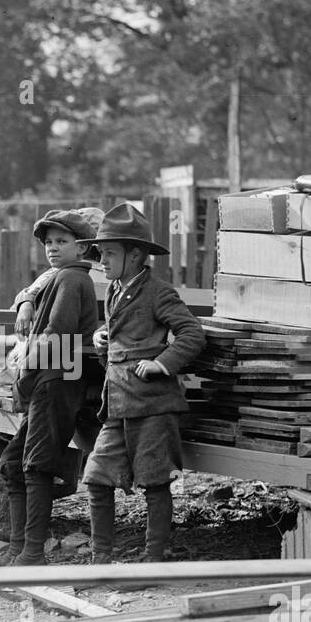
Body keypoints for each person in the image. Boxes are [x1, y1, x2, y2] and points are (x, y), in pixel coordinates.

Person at [83, 202, 205, 564]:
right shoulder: (116, 290)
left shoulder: (158, 291)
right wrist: (100, 337)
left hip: (153, 404)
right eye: (101, 253)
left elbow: (191, 334)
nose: (101, 261)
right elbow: (122, 333)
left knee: (155, 481)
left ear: (135, 255)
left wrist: (161, 364)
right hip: (118, 402)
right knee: (96, 477)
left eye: (108, 254)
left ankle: (155, 558)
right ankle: (99, 559)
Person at [0, 210, 99, 566]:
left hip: (59, 380)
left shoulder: (72, 278)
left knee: (37, 463)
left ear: (82, 246)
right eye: (49, 243)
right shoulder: (59, 277)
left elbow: (57, 335)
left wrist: (23, 373)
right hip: (48, 379)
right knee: (12, 460)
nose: (53, 249)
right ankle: (17, 545)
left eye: (62, 242)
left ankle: (32, 552)